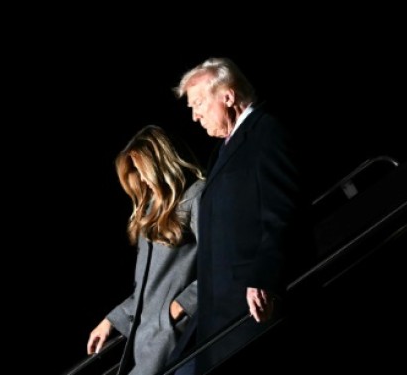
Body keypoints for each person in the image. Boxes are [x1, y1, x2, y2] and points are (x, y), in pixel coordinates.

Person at [168, 57, 311, 374]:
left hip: (250, 310)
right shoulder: (222, 151)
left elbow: (283, 211)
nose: (195, 116)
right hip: (218, 319)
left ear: (228, 96)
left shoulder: (266, 133)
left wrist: (264, 276)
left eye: (199, 103)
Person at [86, 125, 206, 375]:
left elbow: (220, 262)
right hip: (147, 344)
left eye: (142, 172)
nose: (140, 181)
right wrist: (112, 320)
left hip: (177, 342)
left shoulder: (195, 197)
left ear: (160, 164)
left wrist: (178, 308)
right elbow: (147, 292)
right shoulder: (149, 214)